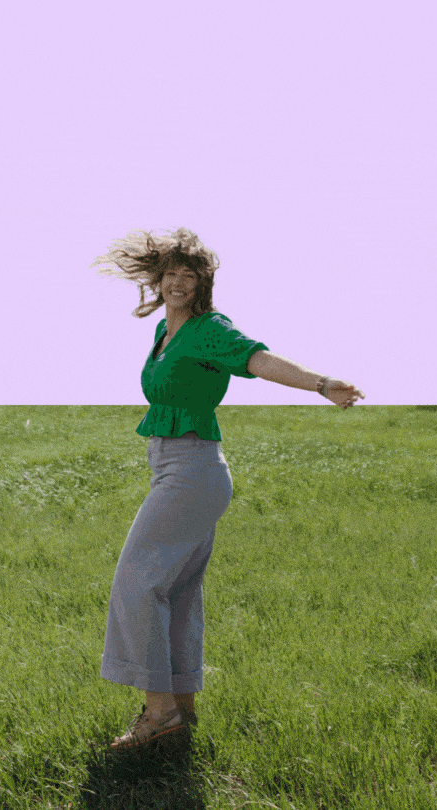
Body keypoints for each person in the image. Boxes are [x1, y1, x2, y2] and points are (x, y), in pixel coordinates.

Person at [91, 227, 365, 754]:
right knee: (174, 589)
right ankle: (182, 708)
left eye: (187, 276)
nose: (176, 283)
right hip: (180, 467)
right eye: (169, 273)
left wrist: (321, 383)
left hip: (191, 471)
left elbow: (256, 360)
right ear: (158, 278)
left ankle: (159, 711)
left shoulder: (209, 329)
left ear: (201, 285)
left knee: (137, 581)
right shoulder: (165, 334)